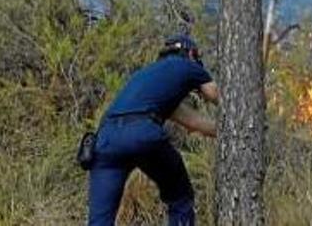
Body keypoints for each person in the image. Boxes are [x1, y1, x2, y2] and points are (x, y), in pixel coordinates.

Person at [87, 34, 218, 226]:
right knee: (180, 196)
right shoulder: (188, 65)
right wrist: (250, 115)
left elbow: (194, 122)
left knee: (99, 222)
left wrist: (229, 132)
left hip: (105, 140)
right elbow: (215, 93)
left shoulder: (148, 79)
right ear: (191, 53)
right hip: (140, 133)